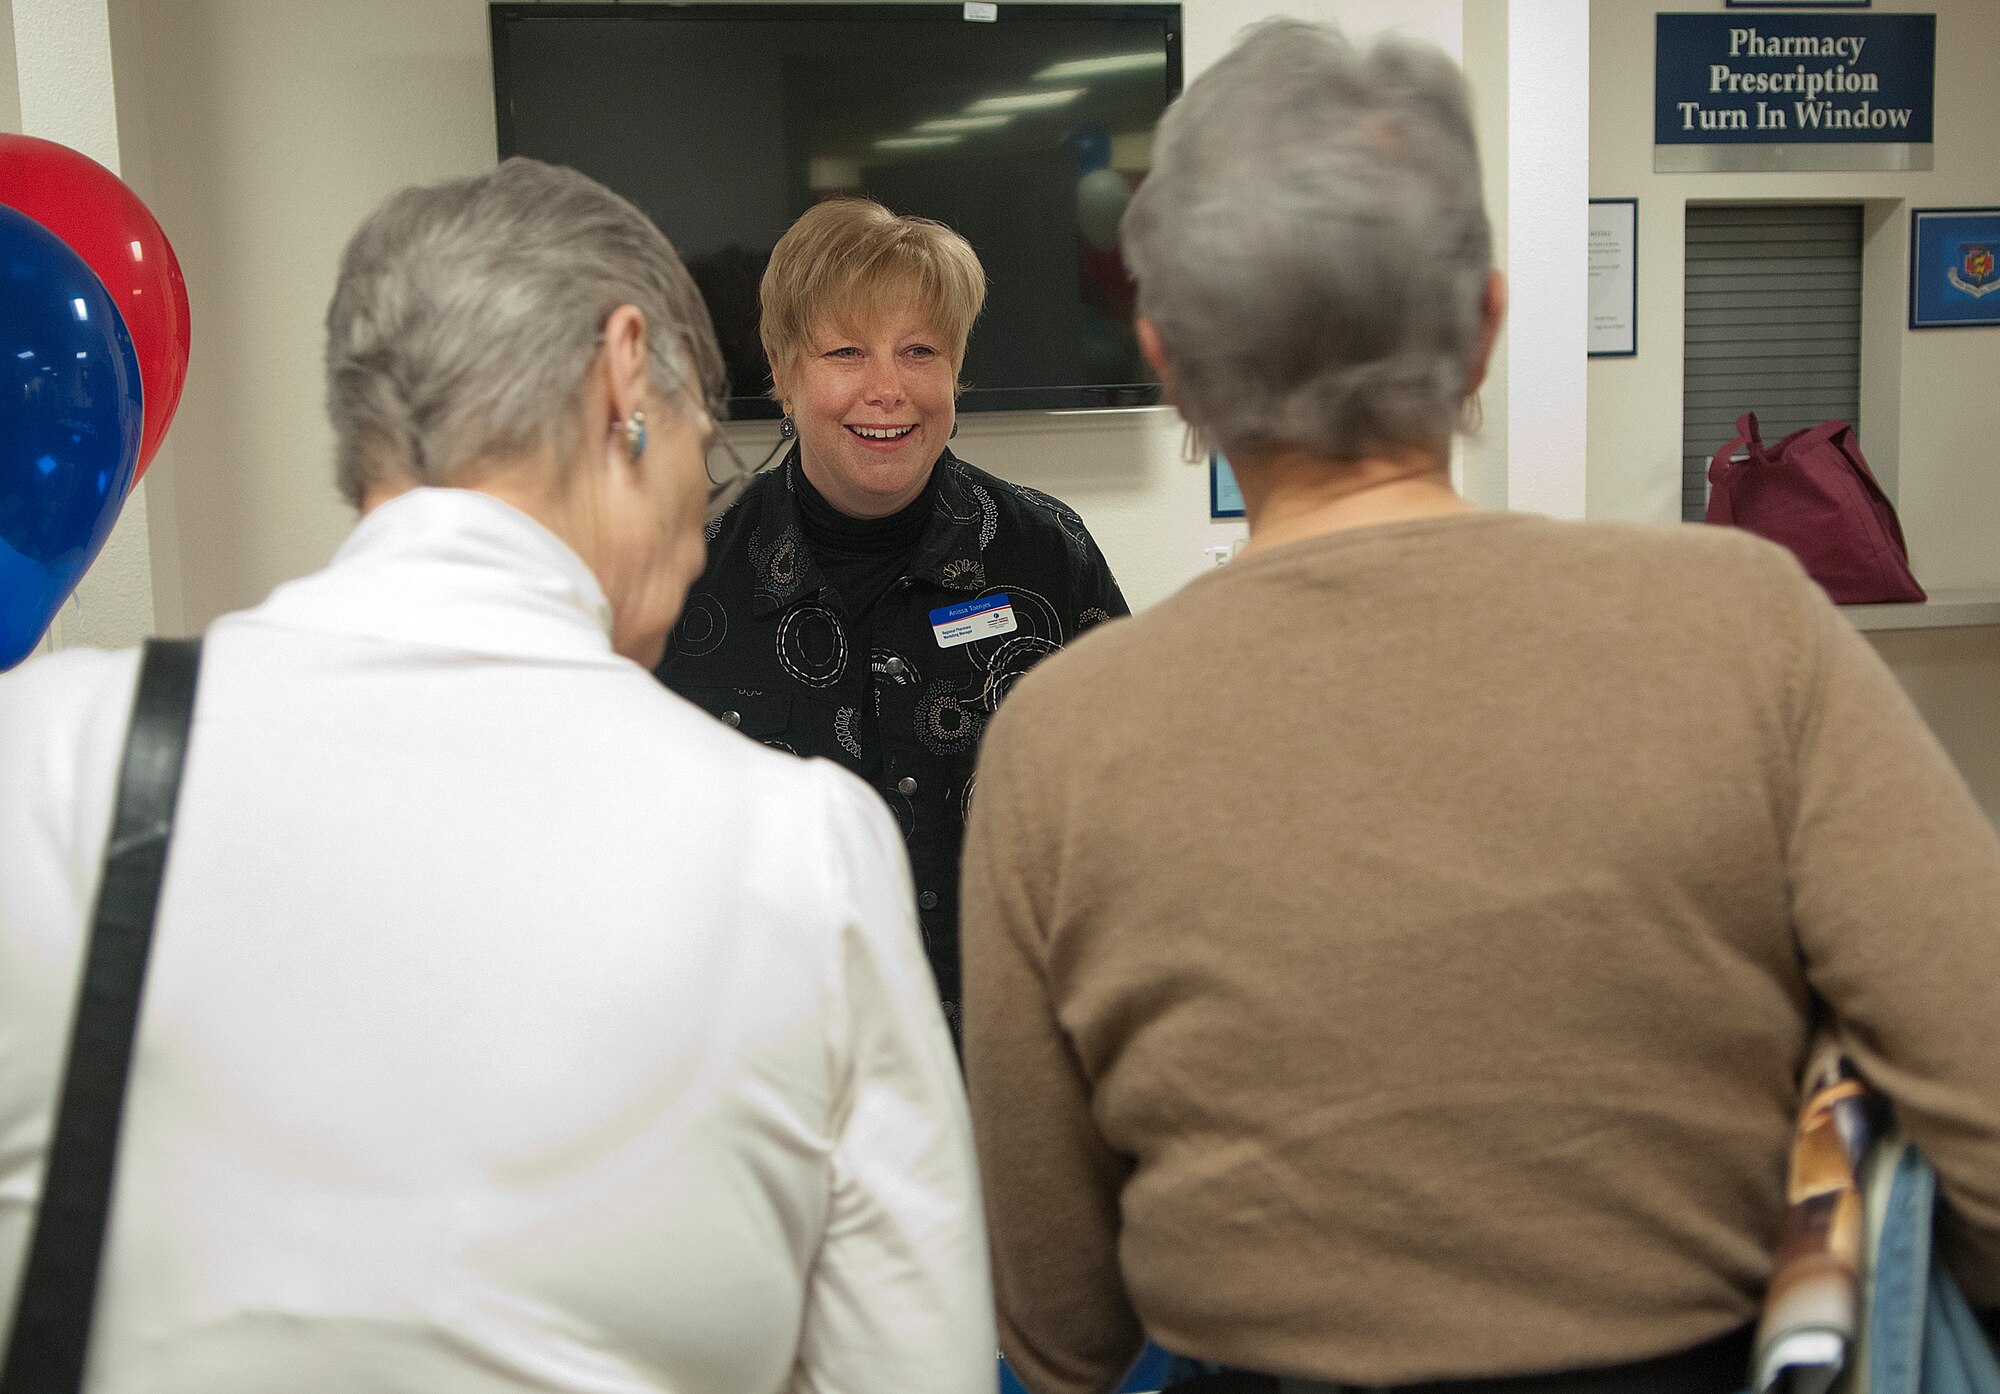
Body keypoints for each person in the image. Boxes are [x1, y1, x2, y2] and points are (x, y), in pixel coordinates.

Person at [960, 20, 2000, 1394]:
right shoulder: (1748, 625)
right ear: (1489, 325)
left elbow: (1060, 1318)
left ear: (1167, 356)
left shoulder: (1060, 738)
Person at [0, 158, 994, 1394]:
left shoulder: (43, 760)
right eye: (703, 437)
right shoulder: (799, 849)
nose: (703, 507)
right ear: (625, 378)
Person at [656, 197, 1128, 1040]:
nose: (888, 390)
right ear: (783, 368)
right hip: (773, 1084)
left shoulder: (1047, 556)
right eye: (846, 352)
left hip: (1007, 1069)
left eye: (920, 351)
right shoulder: (685, 578)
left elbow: (1127, 823)